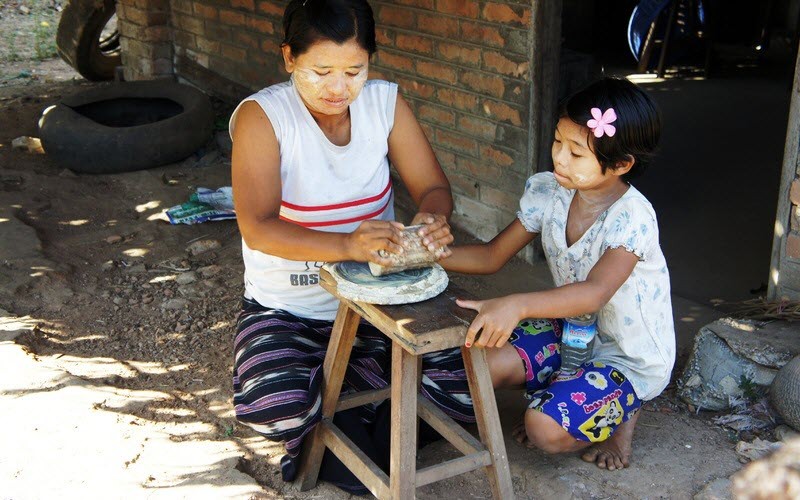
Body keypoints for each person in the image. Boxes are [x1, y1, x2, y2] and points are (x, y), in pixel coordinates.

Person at [228, 0, 472, 492]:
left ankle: (350, 429)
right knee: (273, 405)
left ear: (370, 64)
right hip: (289, 308)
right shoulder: (264, 117)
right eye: (321, 71)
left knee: (464, 393)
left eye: (354, 71)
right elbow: (257, 227)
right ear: (288, 58)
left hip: (377, 305)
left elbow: (432, 187)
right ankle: (366, 426)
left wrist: (433, 216)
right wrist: (347, 244)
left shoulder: (384, 103)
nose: (338, 88)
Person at [442, 77, 675, 471]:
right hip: (573, 329)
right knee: (481, 363)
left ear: (620, 164)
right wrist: (421, 256)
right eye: (557, 142)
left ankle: (621, 420)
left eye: (576, 153)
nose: (559, 159)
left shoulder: (633, 218)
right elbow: (491, 256)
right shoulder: (551, 191)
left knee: (543, 431)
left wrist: (516, 305)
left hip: (626, 355)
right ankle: (566, 394)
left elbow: (595, 293)